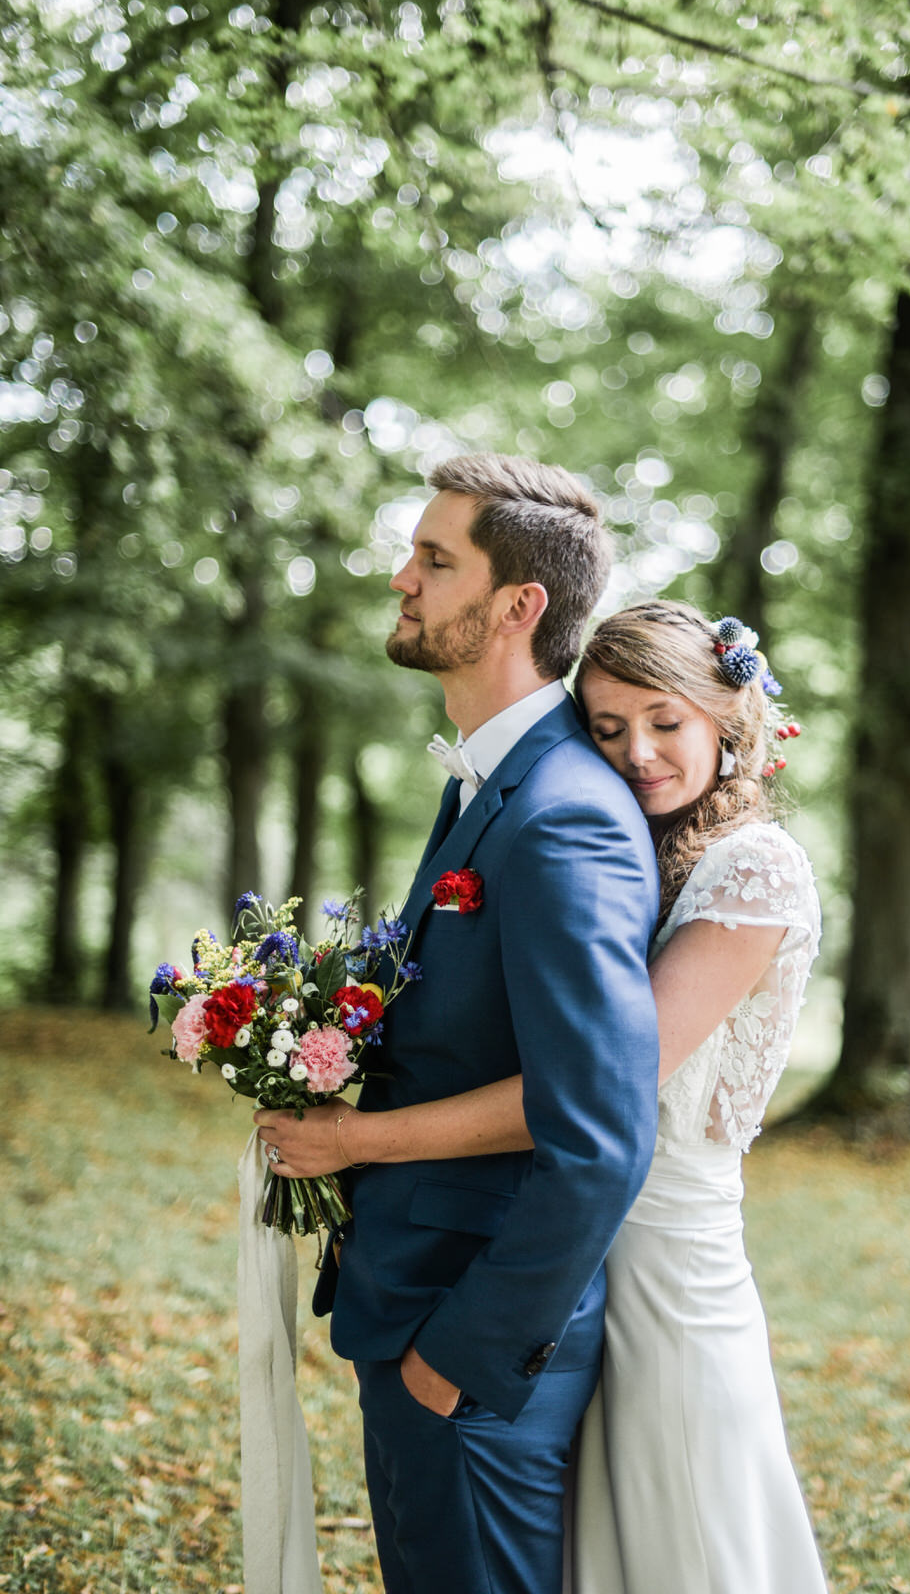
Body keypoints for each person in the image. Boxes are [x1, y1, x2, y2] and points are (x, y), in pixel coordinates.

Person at [262, 595, 828, 1593]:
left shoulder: (754, 873)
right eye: (608, 728)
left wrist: (364, 1140)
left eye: (667, 722)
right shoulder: (648, 850)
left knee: (685, 1540)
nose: (639, 752)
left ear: (727, 720)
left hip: (670, 1272)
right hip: (579, 1256)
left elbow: (594, 1094)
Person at [257, 455, 662, 1594]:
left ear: (518, 607)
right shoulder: (490, 785)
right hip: (412, 1298)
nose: (402, 577)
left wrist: (461, 1361)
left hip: (470, 1338)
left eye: (436, 561)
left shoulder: (564, 817)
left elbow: (599, 1130)